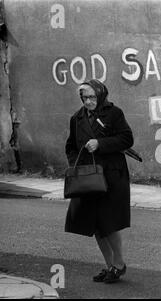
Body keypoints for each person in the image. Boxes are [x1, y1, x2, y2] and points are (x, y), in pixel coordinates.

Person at [65, 79, 134, 283]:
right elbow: (71, 146)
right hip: (88, 178)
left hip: (112, 176)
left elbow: (126, 139)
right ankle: (109, 266)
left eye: (92, 97)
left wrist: (100, 144)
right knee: (95, 225)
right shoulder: (76, 118)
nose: (88, 101)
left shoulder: (114, 113)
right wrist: (76, 165)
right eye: (84, 97)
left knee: (108, 223)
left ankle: (119, 264)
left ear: (101, 95)